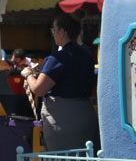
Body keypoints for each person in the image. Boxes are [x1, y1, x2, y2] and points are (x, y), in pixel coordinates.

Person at [21, 13, 99, 152]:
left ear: (62, 32)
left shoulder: (56, 58)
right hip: (86, 115)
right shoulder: (86, 53)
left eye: (54, 30)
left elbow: (39, 89)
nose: (53, 34)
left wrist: (27, 74)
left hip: (63, 121)